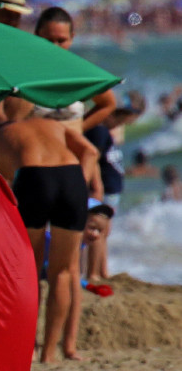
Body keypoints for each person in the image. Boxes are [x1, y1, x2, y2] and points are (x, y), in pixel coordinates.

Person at [0, 102, 101, 363]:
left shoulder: (3, 134)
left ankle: (26, 346)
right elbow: (91, 151)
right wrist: (81, 184)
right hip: (71, 179)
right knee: (64, 271)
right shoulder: (54, 125)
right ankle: (49, 353)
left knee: (30, 271)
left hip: (34, 178)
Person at [82, 107, 130, 282]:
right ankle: (95, 273)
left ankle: (101, 271)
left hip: (109, 187)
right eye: (118, 120)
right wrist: (95, 188)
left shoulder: (101, 131)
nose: (119, 125)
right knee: (98, 230)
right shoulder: (99, 131)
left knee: (102, 231)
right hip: (105, 188)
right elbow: (93, 160)